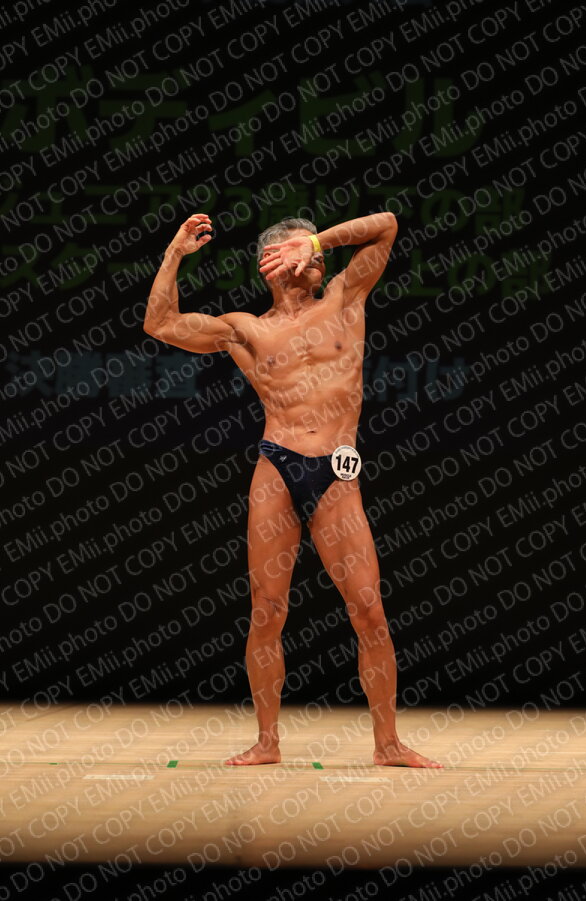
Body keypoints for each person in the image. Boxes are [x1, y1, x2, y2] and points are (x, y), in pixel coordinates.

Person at [143, 211, 443, 768]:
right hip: (277, 466)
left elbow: (387, 225)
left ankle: (388, 744)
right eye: (299, 250)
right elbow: (160, 323)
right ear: (270, 264)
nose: (315, 258)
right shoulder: (246, 329)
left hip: (336, 471)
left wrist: (316, 239)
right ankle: (268, 742)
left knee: (368, 610)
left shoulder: (345, 298)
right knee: (267, 608)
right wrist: (174, 254)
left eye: (316, 252)